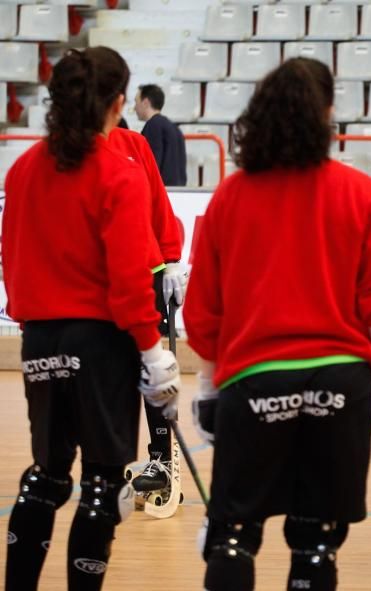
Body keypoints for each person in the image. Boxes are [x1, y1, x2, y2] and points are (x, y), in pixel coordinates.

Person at [182, 58, 371, 591]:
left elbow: (204, 310)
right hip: (341, 386)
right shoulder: (360, 192)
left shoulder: (231, 194)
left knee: (232, 538)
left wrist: (205, 388)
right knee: (316, 545)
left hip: (255, 381)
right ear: (328, 114)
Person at [2, 46, 181, 591]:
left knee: (47, 477)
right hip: (100, 342)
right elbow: (130, 280)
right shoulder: (117, 172)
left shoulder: (24, 168)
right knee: (103, 483)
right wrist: (152, 351)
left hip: (39, 338)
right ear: (119, 103)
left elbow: (12, 256)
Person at [108, 121, 189, 497]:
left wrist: (172, 257)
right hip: (96, 284)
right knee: (109, 374)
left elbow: (158, 201)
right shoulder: (66, 150)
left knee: (151, 369)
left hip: (146, 272)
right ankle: (108, 460)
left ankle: (162, 461)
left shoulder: (133, 144)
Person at [135, 83, 187, 186]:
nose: (135, 108)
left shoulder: (153, 125)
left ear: (145, 102)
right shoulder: (174, 127)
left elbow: (151, 164)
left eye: (136, 102)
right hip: (178, 191)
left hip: (162, 191)